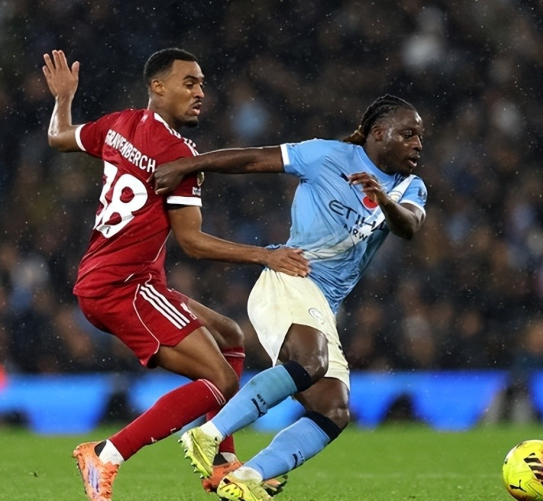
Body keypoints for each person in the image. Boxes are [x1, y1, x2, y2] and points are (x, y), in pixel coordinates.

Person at [42, 48, 308, 501]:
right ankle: (106, 453)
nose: (200, 92)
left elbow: (58, 137)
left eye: (202, 84)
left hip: (115, 279)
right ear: (157, 86)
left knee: (229, 336)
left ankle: (221, 463)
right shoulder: (179, 155)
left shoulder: (119, 124)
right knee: (222, 380)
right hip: (125, 286)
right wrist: (267, 256)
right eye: (189, 83)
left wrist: (63, 98)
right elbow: (193, 242)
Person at [153, 94, 427, 501]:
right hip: (289, 277)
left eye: (420, 137)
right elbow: (252, 159)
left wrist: (384, 200)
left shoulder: (411, 187)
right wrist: (188, 165)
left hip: (323, 304)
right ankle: (208, 434)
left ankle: (247, 477)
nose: (417, 144)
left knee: (333, 409)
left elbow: (409, 226)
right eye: (408, 134)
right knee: (311, 362)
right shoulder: (325, 156)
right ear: (378, 133)